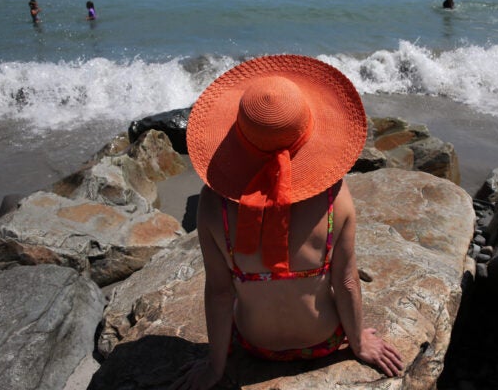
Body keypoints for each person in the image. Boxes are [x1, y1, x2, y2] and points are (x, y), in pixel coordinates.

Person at [171, 55, 404, 389]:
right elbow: (348, 283)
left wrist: (215, 367)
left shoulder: (213, 205)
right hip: (323, 342)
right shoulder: (333, 197)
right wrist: (358, 344)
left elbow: (220, 294)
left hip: (257, 346)